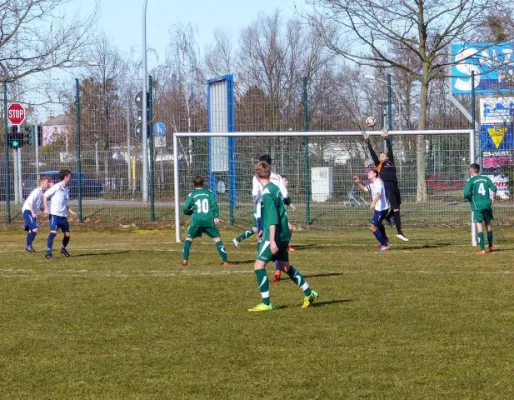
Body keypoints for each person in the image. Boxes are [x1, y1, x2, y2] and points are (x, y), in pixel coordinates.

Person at [248, 161, 318, 312]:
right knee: (285, 266)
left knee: (258, 266)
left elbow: (273, 217)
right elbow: (277, 213)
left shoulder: (266, 193)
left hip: (274, 236)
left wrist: (271, 239)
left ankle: (266, 303)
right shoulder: (276, 189)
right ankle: (309, 292)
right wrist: (263, 229)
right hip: (283, 233)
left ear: (256, 176)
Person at [232, 154, 289, 249]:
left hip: (261, 210)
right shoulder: (278, 177)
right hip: (276, 210)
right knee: (276, 237)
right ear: (270, 165)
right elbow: (285, 194)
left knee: (261, 236)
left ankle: (261, 259)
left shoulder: (256, 177)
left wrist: (255, 199)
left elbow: (255, 193)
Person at [363, 132, 409, 241]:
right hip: (387, 187)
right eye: (380, 156)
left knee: (398, 207)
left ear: (387, 157)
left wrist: (387, 139)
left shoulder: (390, 162)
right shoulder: (379, 165)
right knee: (396, 209)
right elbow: (373, 153)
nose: (381, 155)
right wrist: (368, 143)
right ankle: (399, 232)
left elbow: (390, 149)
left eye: (383, 155)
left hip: (395, 187)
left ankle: (388, 218)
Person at [182, 175, 234, 267]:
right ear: (203, 183)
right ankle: (225, 261)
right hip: (208, 220)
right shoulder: (209, 193)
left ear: (194, 184)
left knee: (188, 239)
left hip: (196, 221)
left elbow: (185, 208)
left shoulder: (192, 194)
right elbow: (214, 205)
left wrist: (190, 211)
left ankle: (185, 259)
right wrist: (216, 216)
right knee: (217, 239)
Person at [353, 169, 391, 251]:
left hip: (382, 209)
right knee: (379, 224)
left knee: (373, 227)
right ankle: (385, 238)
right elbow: (365, 189)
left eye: (370, 173)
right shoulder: (373, 184)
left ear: (374, 174)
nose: (368, 174)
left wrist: (373, 202)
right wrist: (358, 182)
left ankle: (385, 245)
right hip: (379, 209)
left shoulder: (378, 182)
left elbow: (378, 194)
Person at [464, 163, 497, 255]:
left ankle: (483, 249)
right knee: (488, 225)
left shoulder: (471, 181)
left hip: (477, 206)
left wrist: (470, 198)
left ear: (471, 171)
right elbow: (494, 189)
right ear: (478, 170)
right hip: (487, 205)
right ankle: (490, 246)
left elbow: (466, 194)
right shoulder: (486, 179)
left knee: (479, 225)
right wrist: (493, 198)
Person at [43, 169, 77, 259]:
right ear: (65, 177)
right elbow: (45, 196)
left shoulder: (66, 189)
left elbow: (64, 203)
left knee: (67, 235)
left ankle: (63, 248)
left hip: (63, 216)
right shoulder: (57, 186)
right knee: (53, 232)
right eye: (70, 177)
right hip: (54, 214)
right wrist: (46, 208)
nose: (70, 179)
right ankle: (48, 253)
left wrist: (70, 211)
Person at [22, 176, 50, 252]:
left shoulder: (43, 193)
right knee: (35, 228)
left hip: (32, 212)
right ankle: (28, 246)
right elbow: (30, 202)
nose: (48, 184)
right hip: (28, 210)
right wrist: (33, 213)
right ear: (42, 183)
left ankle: (28, 247)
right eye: (47, 182)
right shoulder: (36, 191)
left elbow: (41, 206)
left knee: (31, 230)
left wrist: (46, 211)